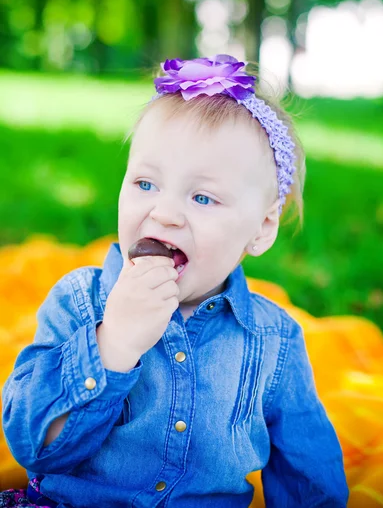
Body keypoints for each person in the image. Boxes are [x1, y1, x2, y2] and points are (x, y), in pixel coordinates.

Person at [1, 56, 349, 507]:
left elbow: (309, 476)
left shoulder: (274, 341)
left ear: (262, 228)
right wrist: (113, 346)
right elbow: (33, 444)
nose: (163, 213)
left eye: (202, 197)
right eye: (146, 184)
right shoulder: (79, 303)